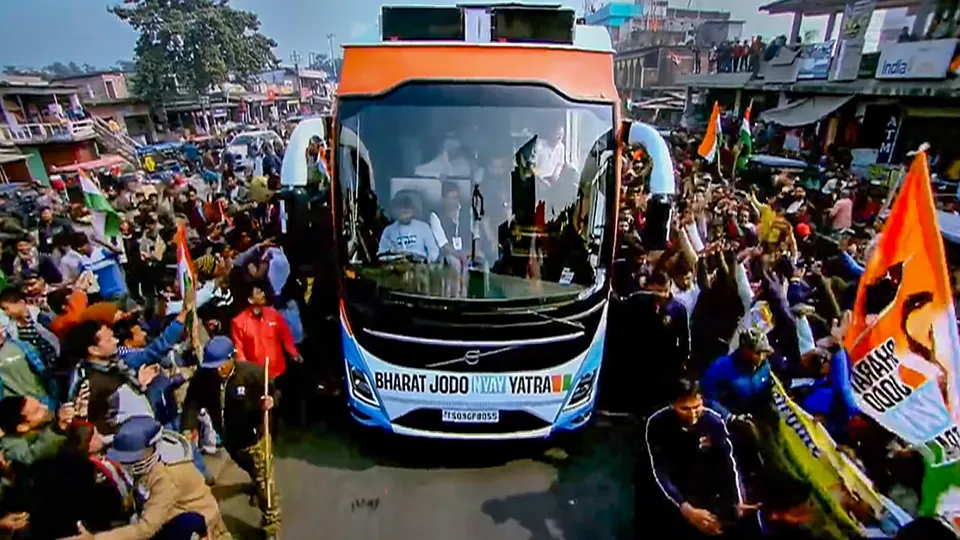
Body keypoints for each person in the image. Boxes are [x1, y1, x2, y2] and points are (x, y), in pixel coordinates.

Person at [64, 416, 232, 540]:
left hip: (197, 523)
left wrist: (95, 539)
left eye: (132, 458)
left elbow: (146, 528)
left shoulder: (165, 477)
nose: (126, 463)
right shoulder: (153, 461)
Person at [182, 337, 280, 538]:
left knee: (266, 487)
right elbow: (192, 402)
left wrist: (271, 401)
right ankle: (255, 481)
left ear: (233, 358)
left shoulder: (253, 374)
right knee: (252, 471)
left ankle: (271, 526)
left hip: (255, 440)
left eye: (221, 365)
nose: (218, 370)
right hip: (230, 440)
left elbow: (274, 392)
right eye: (213, 366)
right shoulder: (203, 378)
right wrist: (188, 427)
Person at [644, 380, 754, 538]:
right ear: (673, 405)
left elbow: (727, 463)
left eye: (696, 407)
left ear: (702, 400)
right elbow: (660, 469)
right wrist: (685, 507)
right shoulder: (657, 424)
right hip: (674, 483)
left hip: (705, 481)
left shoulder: (713, 423)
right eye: (685, 409)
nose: (692, 414)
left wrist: (736, 500)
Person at [64, 320, 160, 442]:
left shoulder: (113, 366)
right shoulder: (86, 384)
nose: (116, 341)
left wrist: (139, 384)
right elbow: (83, 430)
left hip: (144, 435)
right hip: (124, 447)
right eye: (109, 340)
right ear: (94, 350)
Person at [231, 283, 301, 380]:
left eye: (263, 292)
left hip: (278, 372)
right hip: (256, 376)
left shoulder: (274, 315)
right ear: (250, 299)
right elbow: (239, 351)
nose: (263, 294)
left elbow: (286, 337)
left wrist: (294, 353)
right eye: (259, 293)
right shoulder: (238, 322)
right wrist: (246, 373)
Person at [0, 395, 74, 468]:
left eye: (40, 402)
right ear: (22, 427)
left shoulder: (46, 421)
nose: (45, 407)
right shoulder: (11, 448)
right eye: (37, 410)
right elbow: (33, 456)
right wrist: (58, 429)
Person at [377, 194, 440, 262]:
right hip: (396, 266)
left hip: (419, 265)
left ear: (413, 211)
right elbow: (381, 254)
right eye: (402, 210)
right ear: (395, 211)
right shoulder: (388, 231)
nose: (405, 213)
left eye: (407, 210)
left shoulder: (424, 227)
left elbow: (433, 250)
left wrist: (428, 262)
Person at [428, 181, 475, 269]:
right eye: (449, 198)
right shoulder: (435, 215)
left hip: (469, 251)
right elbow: (443, 244)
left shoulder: (468, 211)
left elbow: (475, 234)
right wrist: (460, 255)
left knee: (483, 263)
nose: (452, 201)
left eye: (455, 198)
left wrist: (474, 252)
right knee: (456, 263)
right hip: (450, 254)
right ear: (443, 198)